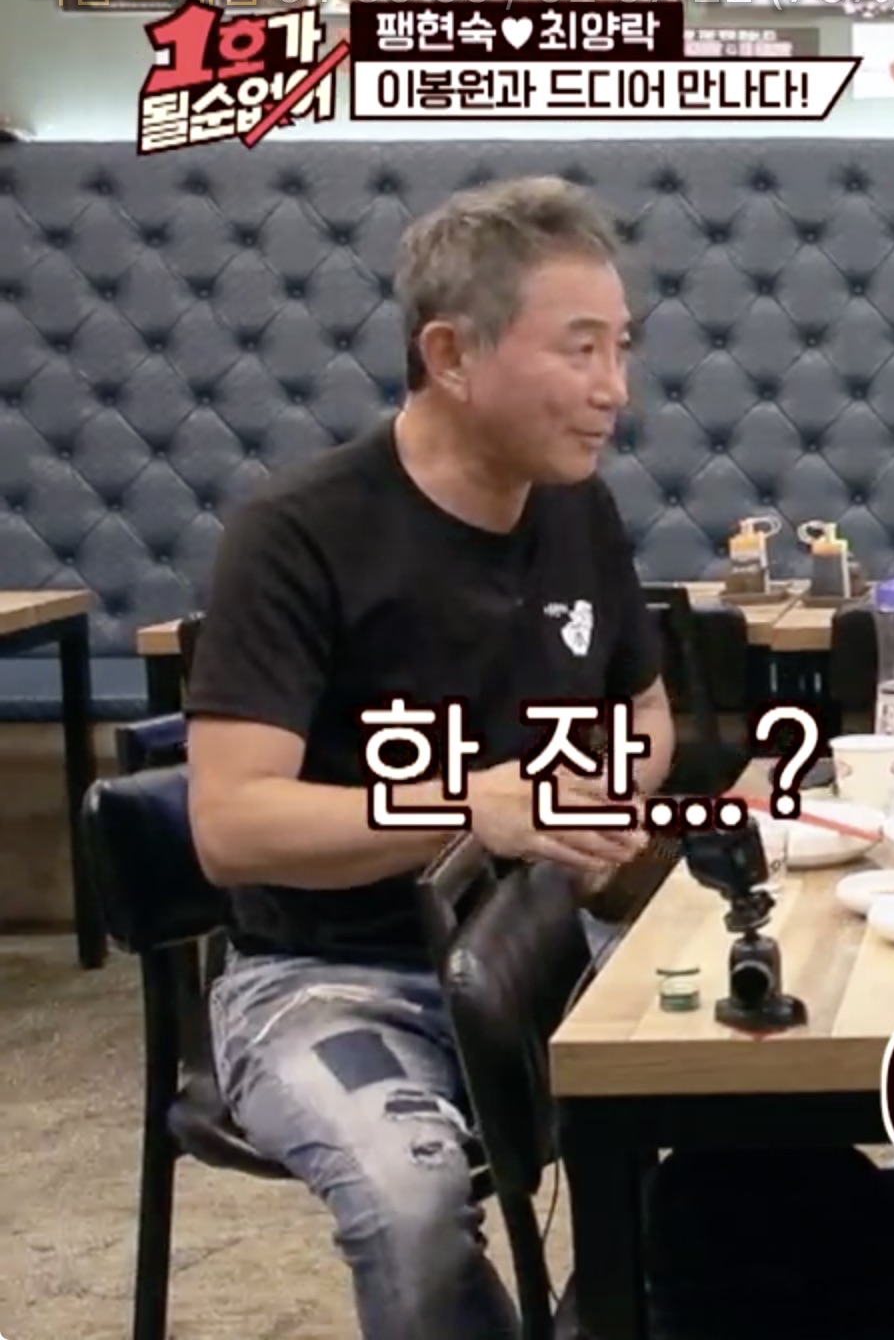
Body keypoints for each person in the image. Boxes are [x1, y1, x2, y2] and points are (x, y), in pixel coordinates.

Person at [186, 176, 674, 1339]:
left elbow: (647, 712)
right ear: (450, 355)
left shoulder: (579, 509)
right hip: (326, 975)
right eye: (581, 350)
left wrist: (605, 791)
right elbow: (232, 824)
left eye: (622, 348)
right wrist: (466, 805)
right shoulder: (296, 534)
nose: (615, 388)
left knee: (741, 1093)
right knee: (409, 1206)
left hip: (546, 942)